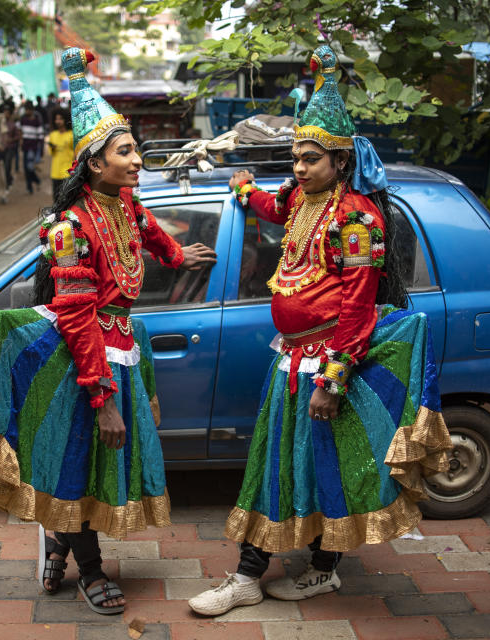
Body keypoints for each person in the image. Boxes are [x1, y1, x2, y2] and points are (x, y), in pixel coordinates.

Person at [0, 47, 217, 616]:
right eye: (125, 152)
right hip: (82, 356)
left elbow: (148, 231)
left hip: (117, 342)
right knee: (77, 462)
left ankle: (57, 540)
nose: (137, 160)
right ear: (95, 164)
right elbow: (73, 314)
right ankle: (90, 570)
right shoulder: (70, 229)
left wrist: (177, 254)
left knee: (96, 466)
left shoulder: (124, 204)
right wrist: (101, 401)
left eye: (135, 149)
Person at [187, 45, 451, 616]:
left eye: (311, 159)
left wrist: (333, 379)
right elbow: (276, 208)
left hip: (328, 363)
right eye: (296, 158)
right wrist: (242, 191)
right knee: (281, 462)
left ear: (339, 161)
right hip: (292, 359)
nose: (300, 167)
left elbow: (357, 307)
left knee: (319, 466)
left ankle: (299, 572)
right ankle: (262, 573)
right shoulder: (303, 200)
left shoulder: (357, 219)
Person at [47, 108, 74, 197]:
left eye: (60, 119)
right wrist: (53, 148)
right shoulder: (53, 135)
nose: (58, 121)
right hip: (55, 172)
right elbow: (51, 153)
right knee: (56, 199)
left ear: (65, 120)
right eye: (56, 119)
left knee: (67, 199)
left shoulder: (71, 135)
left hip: (67, 172)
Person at [19, 99, 43, 194]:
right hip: (25, 146)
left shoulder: (37, 120)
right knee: (26, 168)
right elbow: (20, 131)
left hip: (33, 147)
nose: (27, 111)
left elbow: (40, 136)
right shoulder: (23, 119)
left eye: (28, 109)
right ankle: (30, 186)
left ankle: (35, 181)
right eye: (26, 109)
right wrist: (20, 140)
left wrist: (40, 149)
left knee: (29, 167)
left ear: (32, 110)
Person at [0, 103, 21, 192]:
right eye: (4, 112)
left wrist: (11, 139)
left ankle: (8, 182)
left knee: (7, 165)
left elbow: (18, 136)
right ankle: (7, 179)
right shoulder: (0, 124)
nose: (6, 114)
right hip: (2, 148)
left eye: (7, 112)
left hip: (10, 148)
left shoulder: (13, 125)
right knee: (3, 165)